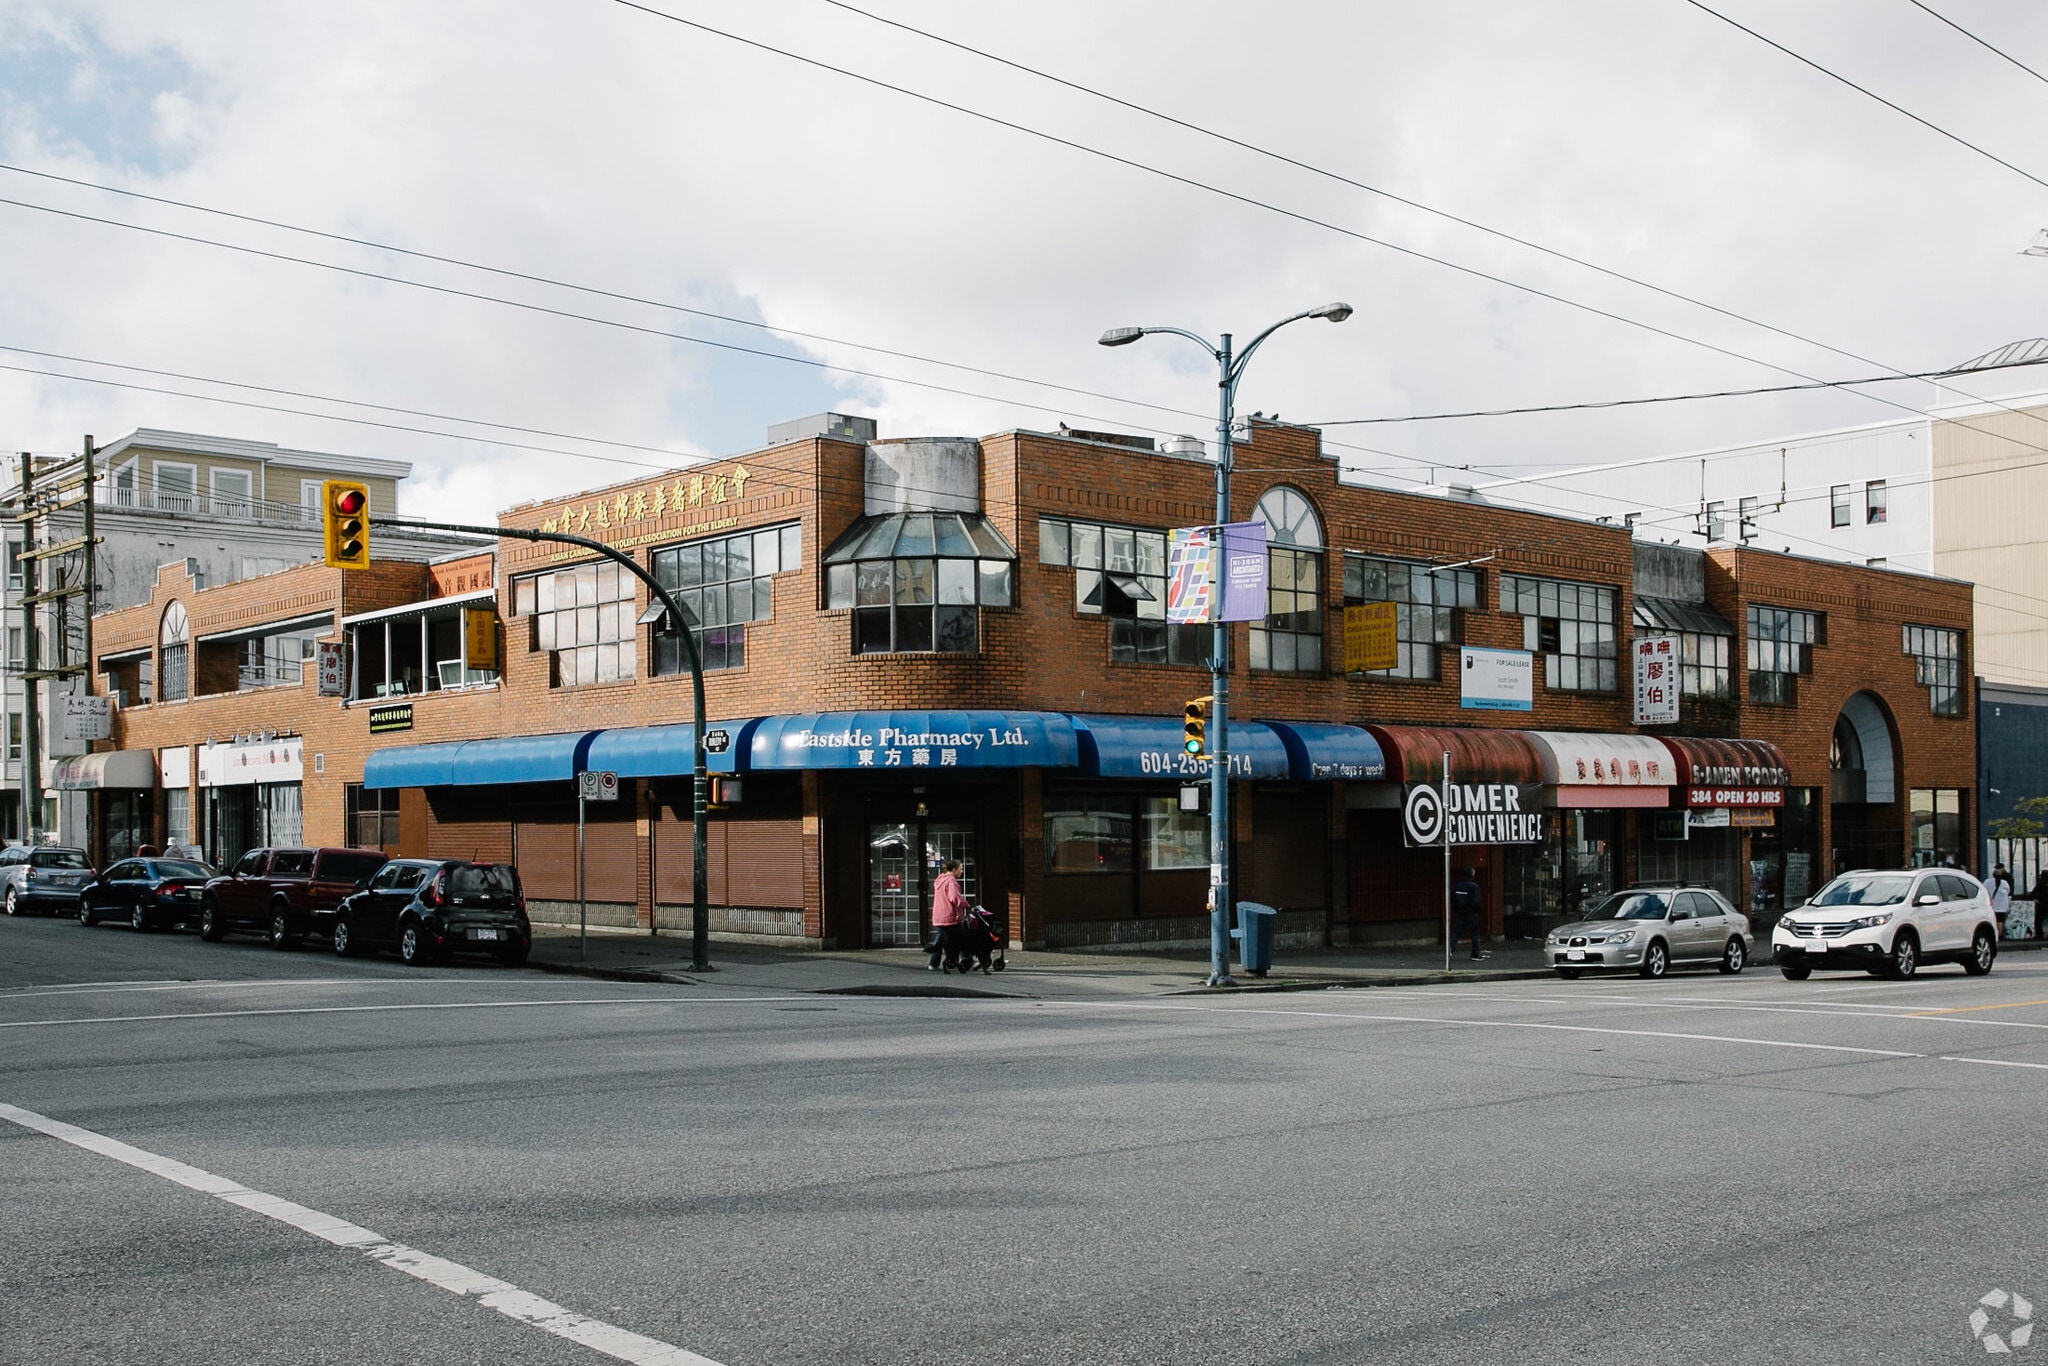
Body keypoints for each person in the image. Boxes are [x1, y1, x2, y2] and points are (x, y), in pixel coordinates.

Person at [928, 858, 968, 970]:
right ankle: (967, 960)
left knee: (940, 940)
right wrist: (965, 904)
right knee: (961, 938)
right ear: (954, 869)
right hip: (950, 915)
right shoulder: (951, 881)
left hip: (939, 915)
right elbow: (954, 897)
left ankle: (933, 963)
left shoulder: (940, 879)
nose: (962, 871)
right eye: (960, 869)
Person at [1451, 866, 1487, 961]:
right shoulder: (1474, 886)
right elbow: (1477, 901)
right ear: (1471, 874)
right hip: (1471, 913)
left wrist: (1456, 909)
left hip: (1459, 912)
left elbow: (1453, 898)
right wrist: (1476, 910)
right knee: (1474, 934)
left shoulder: (1456, 885)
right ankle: (1475, 954)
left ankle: (1450, 949)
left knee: (1456, 932)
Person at [1988, 863, 2012, 939]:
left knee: (1993, 920)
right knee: (2000, 921)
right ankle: (2000, 935)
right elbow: (2008, 891)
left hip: (1992, 905)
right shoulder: (2004, 883)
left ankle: (1994, 934)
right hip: (2002, 906)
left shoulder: (1987, 882)